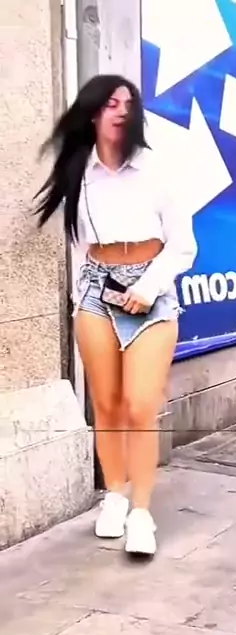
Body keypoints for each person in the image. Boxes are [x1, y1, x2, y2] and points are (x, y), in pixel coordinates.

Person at [34, 74, 197, 556]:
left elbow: (183, 245)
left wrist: (147, 287)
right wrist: (87, 289)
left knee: (139, 405)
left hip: (152, 290)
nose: (122, 111)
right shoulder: (79, 171)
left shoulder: (156, 169)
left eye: (129, 103)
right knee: (105, 405)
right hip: (96, 291)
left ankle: (142, 513)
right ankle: (116, 494)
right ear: (92, 114)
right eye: (111, 103)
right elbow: (79, 243)